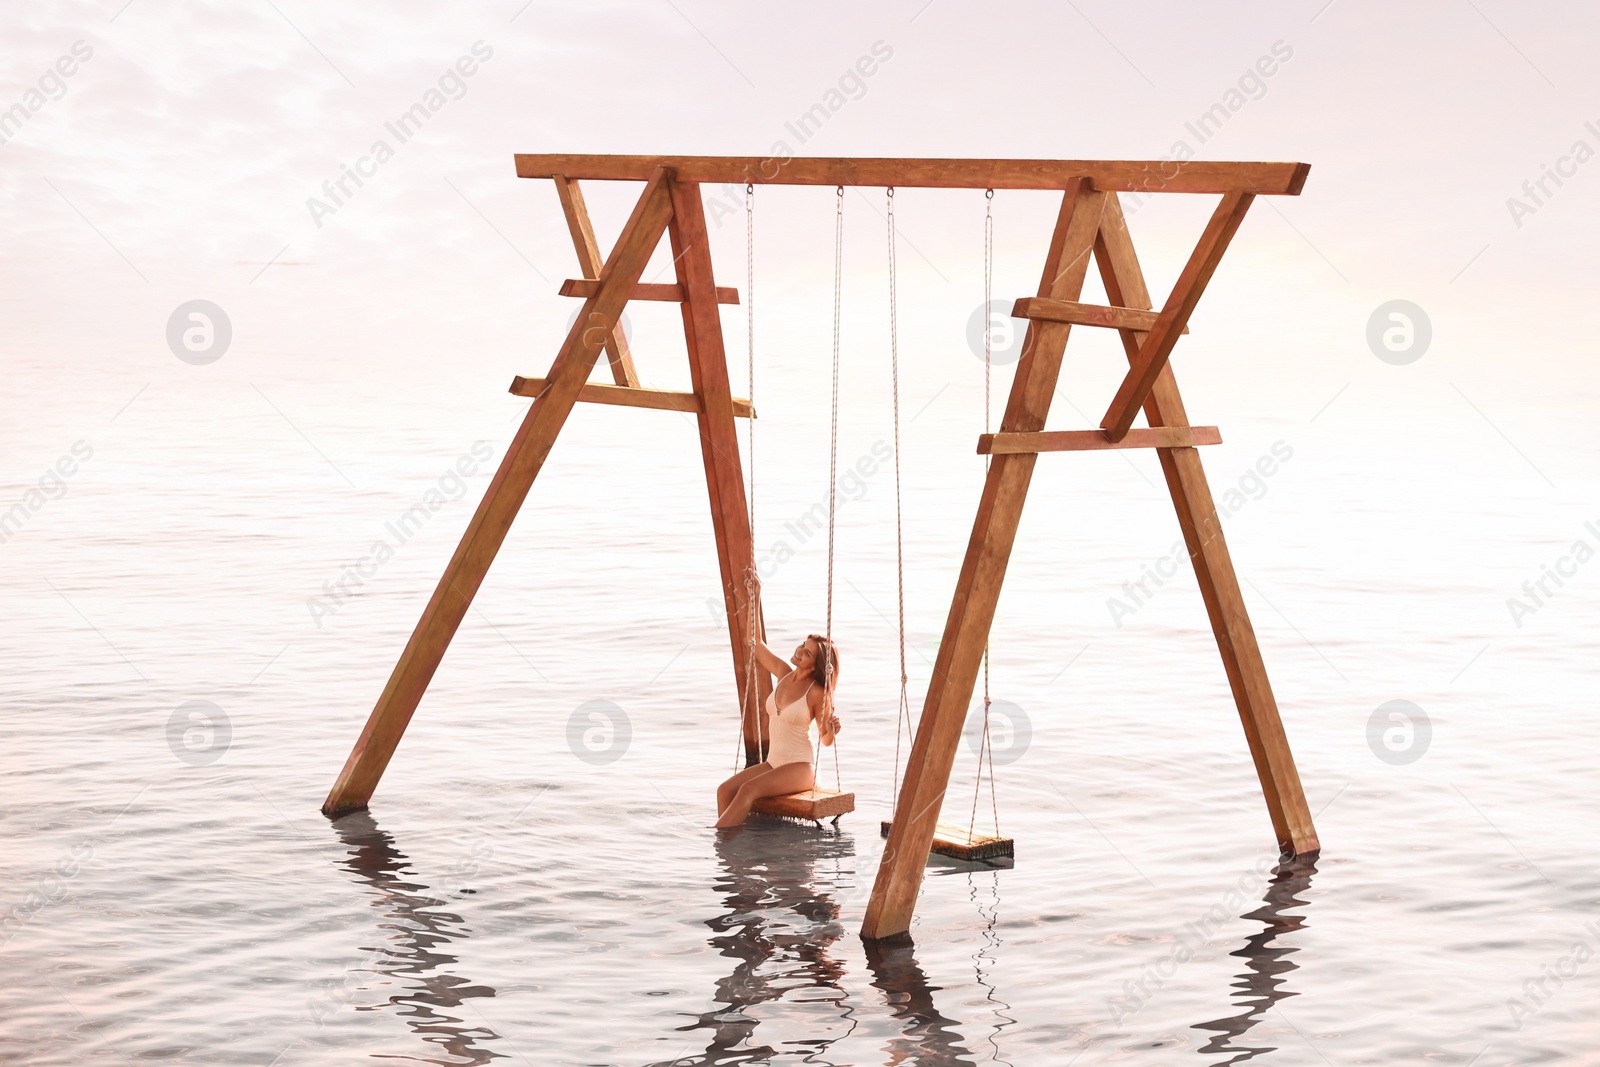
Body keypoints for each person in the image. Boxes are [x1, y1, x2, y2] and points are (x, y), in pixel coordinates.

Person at [713, 633, 842, 828]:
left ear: (815, 665)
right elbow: (755, 642)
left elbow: (825, 739)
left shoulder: (817, 693)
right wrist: (752, 602)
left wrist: (831, 730)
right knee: (724, 790)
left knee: (748, 789)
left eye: (807, 653)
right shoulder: (784, 674)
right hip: (775, 762)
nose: (799, 651)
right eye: (802, 645)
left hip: (802, 767)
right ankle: (734, 842)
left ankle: (719, 840)